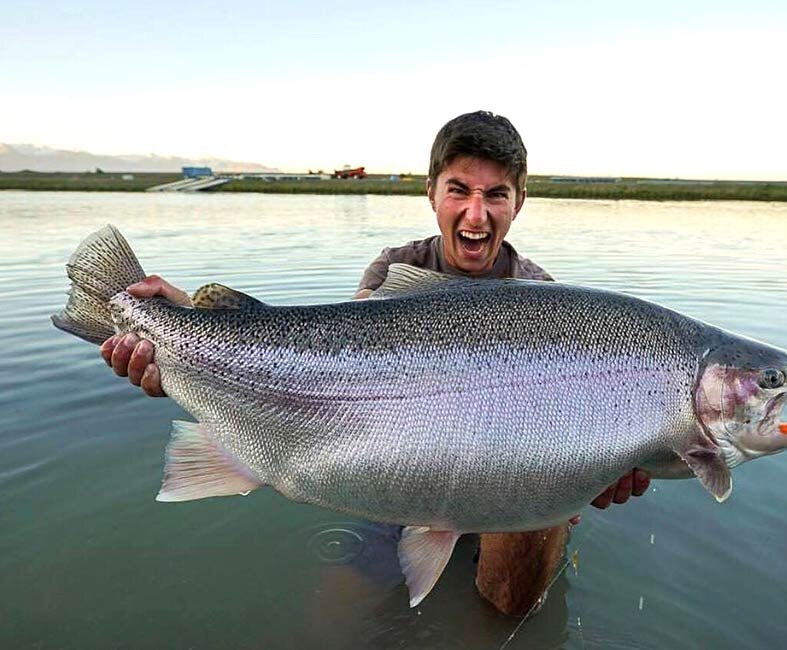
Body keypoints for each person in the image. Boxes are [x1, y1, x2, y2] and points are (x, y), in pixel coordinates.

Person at [100, 110, 650, 616]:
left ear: (519, 200)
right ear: (431, 192)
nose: (475, 214)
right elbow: (317, 366)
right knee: (328, 623)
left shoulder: (543, 300)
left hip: (514, 496)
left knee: (510, 607)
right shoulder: (395, 270)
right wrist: (179, 333)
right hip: (397, 477)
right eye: (459, 190)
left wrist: (600, 466)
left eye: (495, 194)